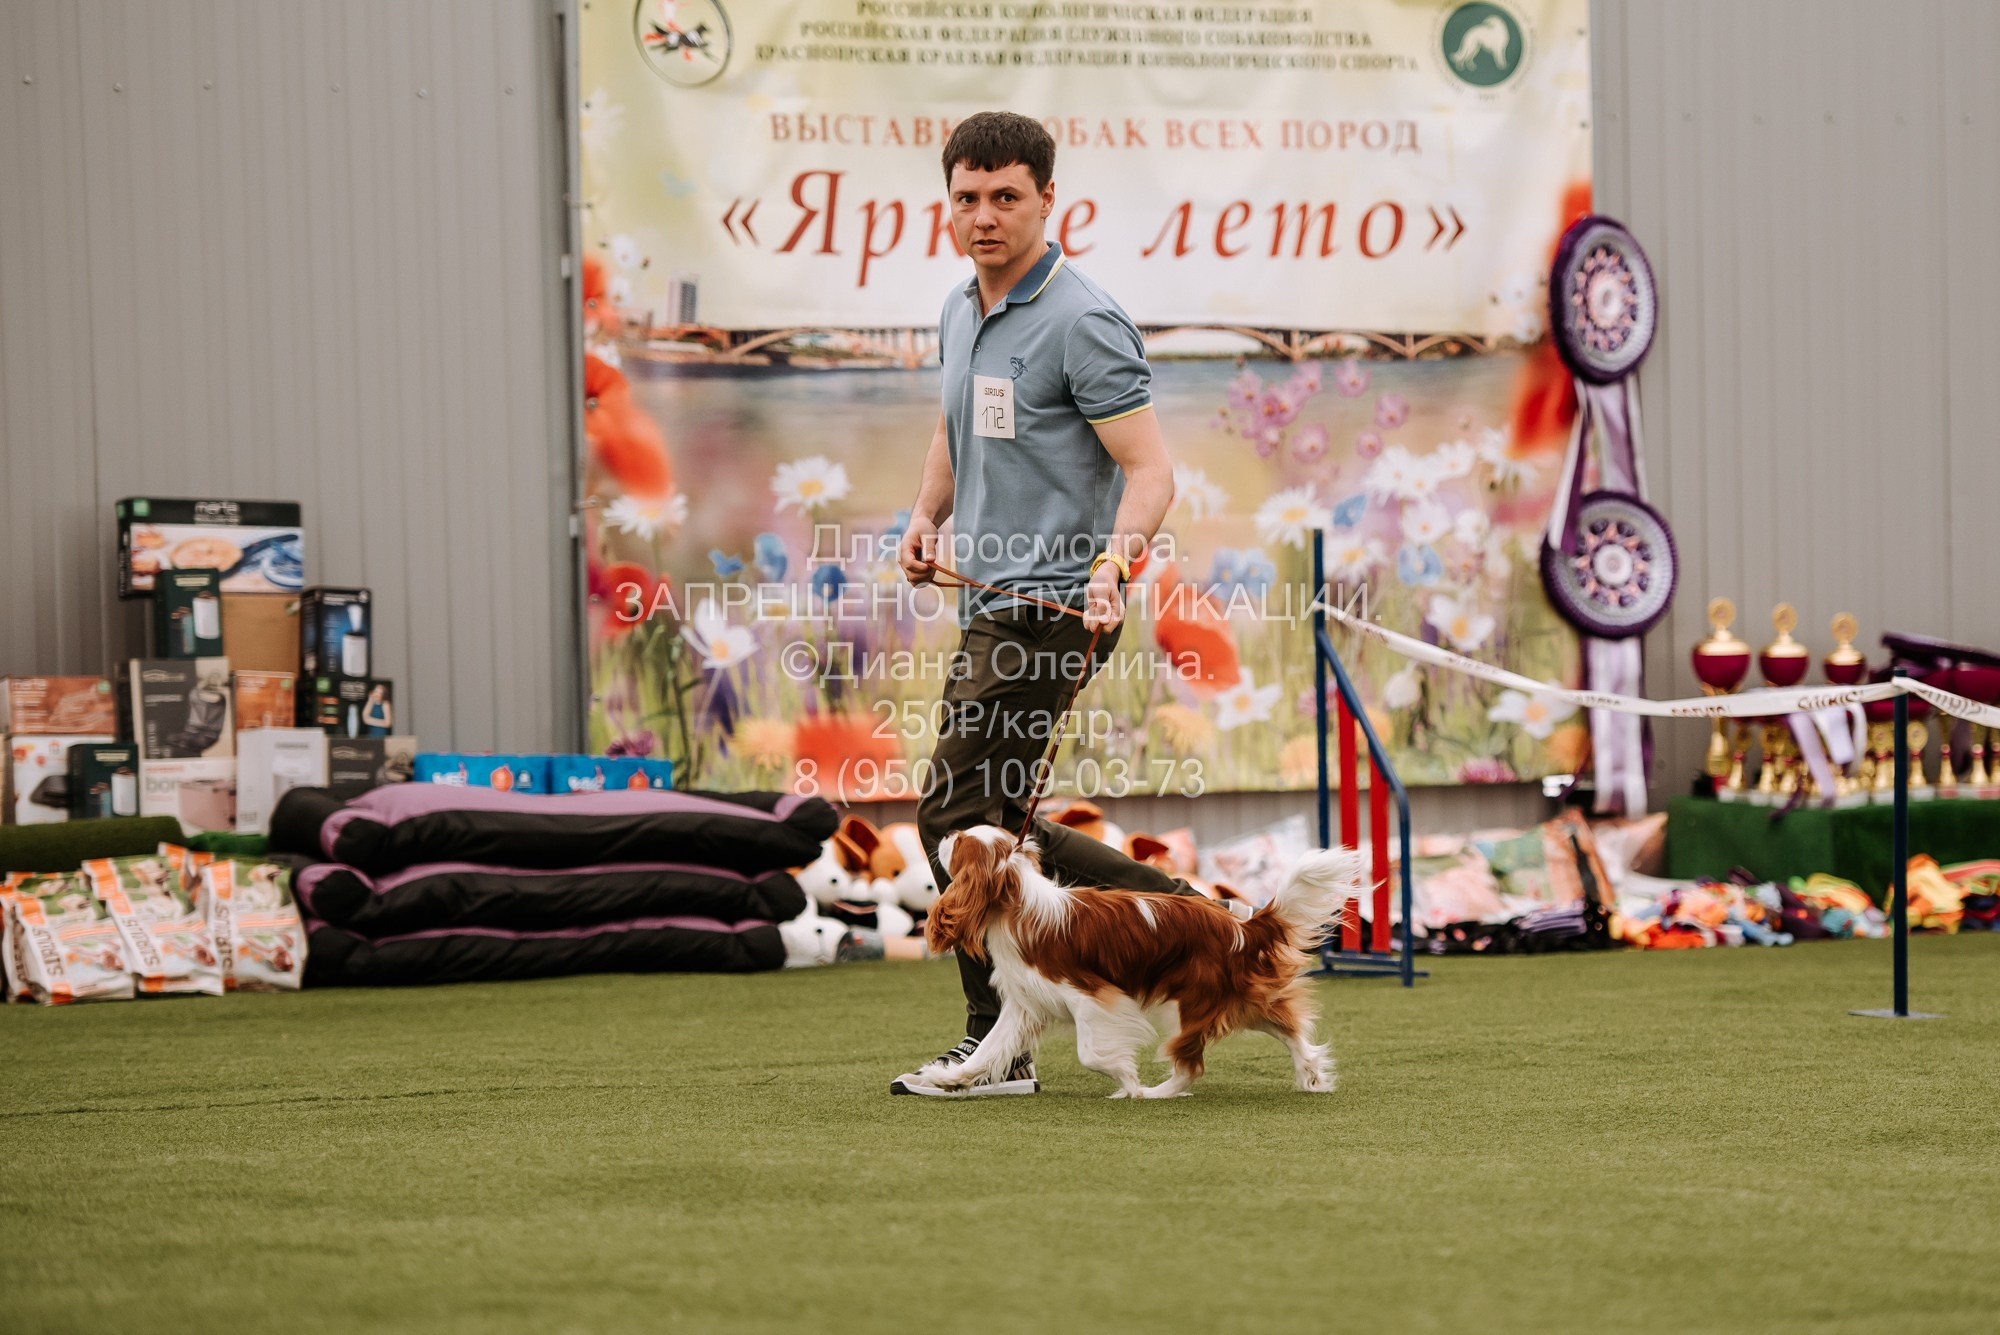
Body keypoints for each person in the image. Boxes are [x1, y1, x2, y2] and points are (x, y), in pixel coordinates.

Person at [890, 111, 1203, 1099]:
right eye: (966, 198)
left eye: (1005, 197)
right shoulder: (959, 307)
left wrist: (1114, 564)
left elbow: (1150, 472)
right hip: (990, 605)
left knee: (955, 815)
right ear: (948, 203)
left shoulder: (1083, 320)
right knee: (999, 822)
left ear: (1046, 200)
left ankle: (997, 1044)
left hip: (1057, 610)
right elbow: (955, 425)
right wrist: (926, 514)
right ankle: (1198, 921)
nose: (983, 216)